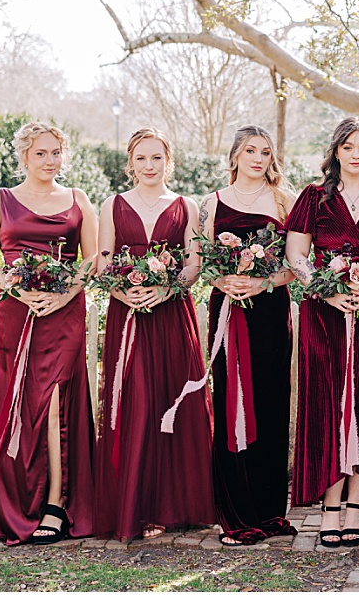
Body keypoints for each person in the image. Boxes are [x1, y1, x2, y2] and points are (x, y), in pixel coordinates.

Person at [0, 122, 98, 545]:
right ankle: (13, 501)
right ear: (24, 155)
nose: (49, 160)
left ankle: (56, 504)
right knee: (16, 403)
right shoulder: (1, 200)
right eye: (40, 153)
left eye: (56, 152)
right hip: (14, 315)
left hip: (63, 316)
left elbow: (92, 259)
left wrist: (65, 295)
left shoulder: (78, 201)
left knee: (56, 404)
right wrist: (16, 288)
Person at [285, 117, 359, 547]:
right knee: (328, 400)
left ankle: (358, 497)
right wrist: (324, 291)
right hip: (325, 318)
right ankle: (330, 498)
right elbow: (297, 255)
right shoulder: (314, 198)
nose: (356, 154)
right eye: (349, 146)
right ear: (336, 151)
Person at [92, 128, 215, 542]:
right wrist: (123, 290)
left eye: (156, 158)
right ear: (131, 163)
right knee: (136, 402)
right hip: (127, 317)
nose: (149, 166)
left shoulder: (186, 206)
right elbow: (104, 261)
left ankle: (174, 504)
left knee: (171, 402)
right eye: (141, 159)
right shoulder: (112, 205)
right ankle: (135, 506)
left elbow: (194, 263)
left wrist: (165, 288)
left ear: (169, 161)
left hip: (171, 316)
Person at [184, 125, 299, 546]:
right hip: (229, 311)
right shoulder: (211, 203)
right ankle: (235, 512)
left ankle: (269, 510)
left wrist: (264, 284)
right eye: (250, 150)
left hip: (270, 312)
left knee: (269, 402)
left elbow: (295, 265)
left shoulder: (284, 201)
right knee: (231, 401)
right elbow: (200, 262)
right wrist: (223, 281)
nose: (258, 158)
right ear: (234, 155)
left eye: (265, 152)